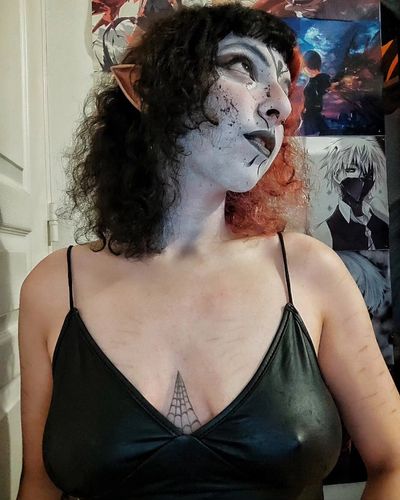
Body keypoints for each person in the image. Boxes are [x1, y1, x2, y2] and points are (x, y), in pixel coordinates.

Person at [17, 3, 400, 500]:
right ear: (145, 89)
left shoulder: (311, 273)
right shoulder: (53, 288)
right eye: (242, 66)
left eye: (284, 84)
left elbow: (393, 462)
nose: (282, 107)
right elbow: (38, 483)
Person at [312, 137, 389, 251]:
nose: (360, 177)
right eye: (352, 170)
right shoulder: (325, 229)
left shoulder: (381, 221)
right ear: (336, 175)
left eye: (368, 173)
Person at [301, 50, 331, 136]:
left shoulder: (320, 80)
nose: (302, 70)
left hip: (312, 118)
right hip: (310, 117)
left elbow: (318, 97)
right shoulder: (313, 80)